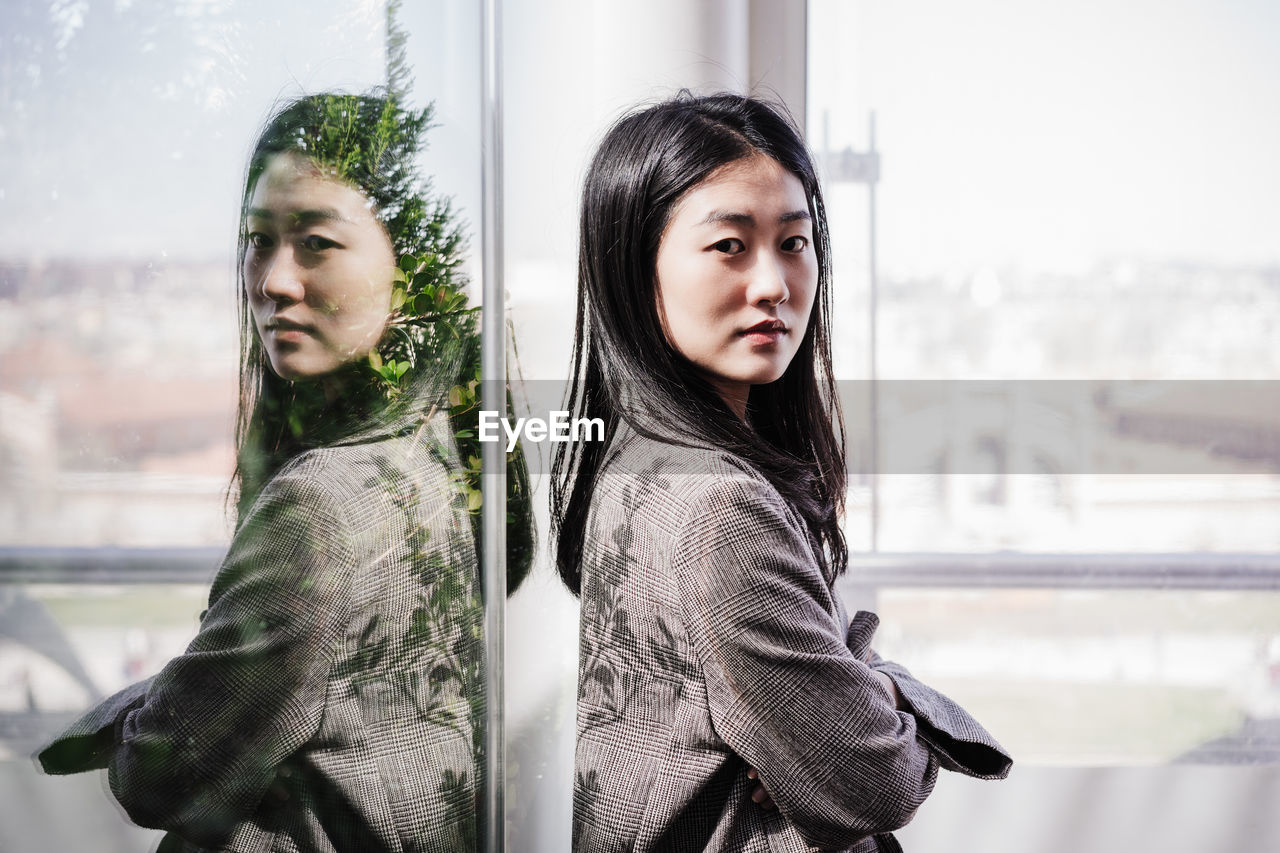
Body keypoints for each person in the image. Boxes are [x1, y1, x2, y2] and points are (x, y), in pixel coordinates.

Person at [37, 91, 531, 853]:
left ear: (411, 265)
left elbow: (158, 776)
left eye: (316, 241)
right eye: (258, 240)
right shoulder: (443, 448)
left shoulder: (318, 509)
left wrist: (139, 711)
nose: (272, 279)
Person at [551, 92, 1013, 853]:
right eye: (730, 245)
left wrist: (848, 694)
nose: (773, 284)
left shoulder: (634, 459)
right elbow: (873, 781)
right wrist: (887, 691)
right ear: (636, 268)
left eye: (793, 242)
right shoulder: (720, 508)